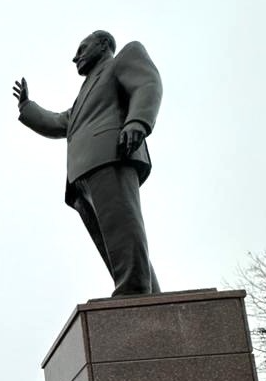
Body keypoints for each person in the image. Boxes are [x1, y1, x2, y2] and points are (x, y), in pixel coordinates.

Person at [13, 30, 163, 296]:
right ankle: (151, 298)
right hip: (83, 175)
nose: (75, 57)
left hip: (112, 154)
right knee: (114, 241)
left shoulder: (123, 58)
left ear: (103, 44)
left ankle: (134, 290)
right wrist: (27, 106)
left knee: (124, 230)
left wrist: (137, 121)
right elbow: (59, 122)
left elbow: (147, 83)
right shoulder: (85, 93)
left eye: (82, 49)